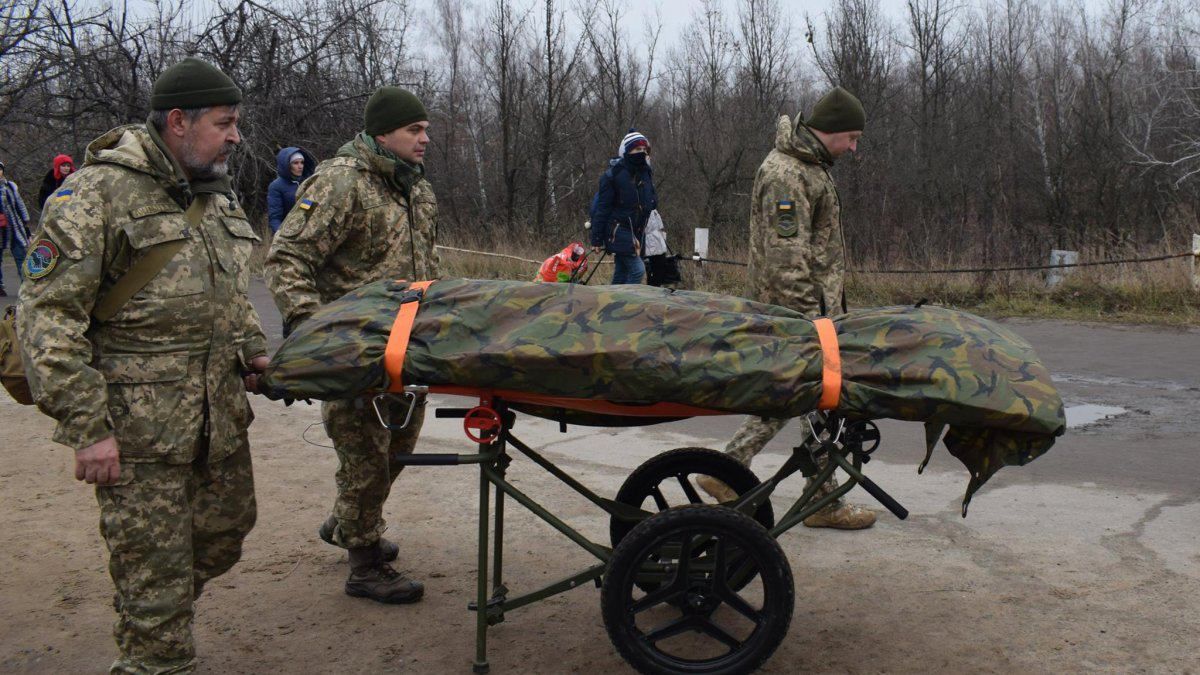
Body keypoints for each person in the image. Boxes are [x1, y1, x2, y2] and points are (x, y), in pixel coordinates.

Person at [17, 57, 268, 673]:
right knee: (155, 589)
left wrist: (252, 350)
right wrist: (89, 429)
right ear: (178, 121)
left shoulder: (214, 192)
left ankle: (152, 620)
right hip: (138, 436)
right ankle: (152, 653)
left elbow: (231, 294)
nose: (235, 135)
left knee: (226, 534)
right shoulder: (94, 194)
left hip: (218, 422)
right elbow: (47, 320)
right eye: (225, 122)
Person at [265, 86, 440, 604]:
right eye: (415, 130)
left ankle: (348, 523)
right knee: (364, 458)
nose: (425, 138)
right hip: (356, 352)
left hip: (409, 351)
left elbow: (427, 268)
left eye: (426, 129)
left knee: (396, 452)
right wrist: (313, 329)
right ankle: (363, 564)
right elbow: (288, 258)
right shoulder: (342, 182)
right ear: (382, 133)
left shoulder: (417, 190)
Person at [697, 87, 877, 530]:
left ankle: (821, 500)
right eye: (851, 137)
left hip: (813, 306)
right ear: (829, 130)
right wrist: (810, 319)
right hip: (795, 310)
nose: (854, 147)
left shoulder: (811, 166)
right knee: (797, 394)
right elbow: (785, 255)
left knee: (816, 401)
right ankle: (728, 468)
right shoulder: (788, 173)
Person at [589, 128, 658, 284]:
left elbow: (650, 200)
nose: (641, 152)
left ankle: (611, 303)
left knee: (622, 271)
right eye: (637, 149)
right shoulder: (612, 175)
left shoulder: (646, 172)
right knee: (637, 270)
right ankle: (626, 305)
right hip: (618, 230)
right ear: (626, 151)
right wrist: (597, 239)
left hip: (639, 231)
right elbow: (602, 209)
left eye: (644, 149)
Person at [0, 161, 32, 296]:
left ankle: (26, 285)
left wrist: (25, 221)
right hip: (0, 230)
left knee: (21, 255)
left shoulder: (10, 186)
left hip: (14, 227)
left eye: (0, 169)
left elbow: (19, 204)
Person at [266, 146, 316, 233]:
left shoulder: (309, 182)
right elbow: (275, 218)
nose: (300, 166)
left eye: (302, 162)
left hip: (309, 232)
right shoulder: (276, 186)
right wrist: (281, 237)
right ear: (287, 165)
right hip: (287, 233)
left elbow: (309, 208)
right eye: (295, 163)